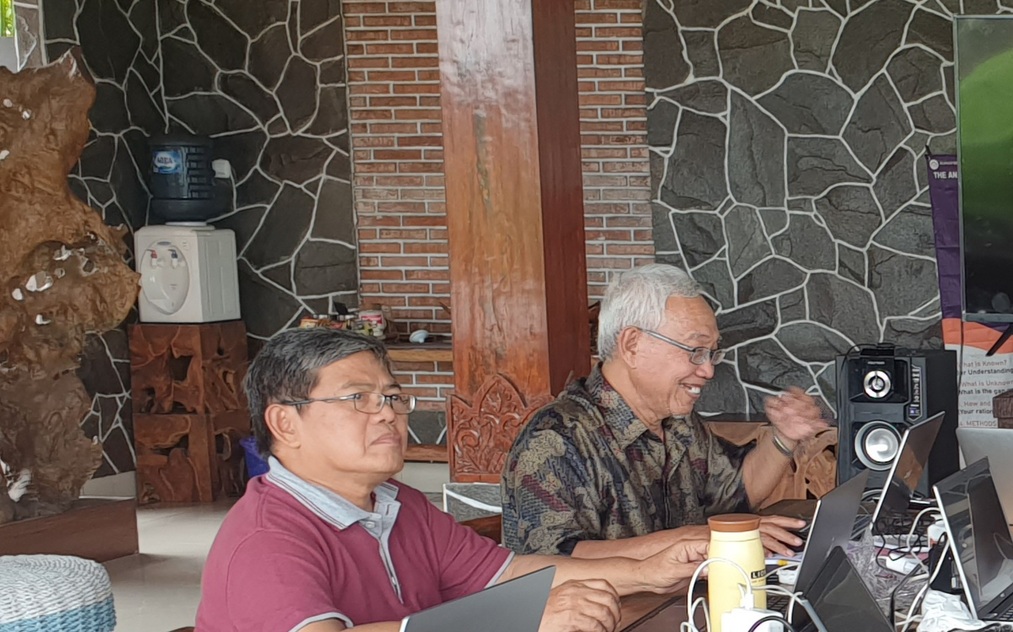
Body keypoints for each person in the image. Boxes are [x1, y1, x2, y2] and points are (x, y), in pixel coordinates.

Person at [196, 327, 710, 632]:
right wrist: (514, 621)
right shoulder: (267, 536)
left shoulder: (398, 504)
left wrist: (648, 573)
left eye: (392, 397)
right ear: (285, 423)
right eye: (358, 399)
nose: (387, 413)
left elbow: (510, 573)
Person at [501, 263, 829, 559]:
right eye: (695, 350)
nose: (708, 370)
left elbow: (735, 494)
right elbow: (551, 564)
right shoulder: (556, 439)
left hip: (683, 597)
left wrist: (784, 438)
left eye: (712, 353)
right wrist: (696, 538)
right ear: (632, 345)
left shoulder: (677, 422)